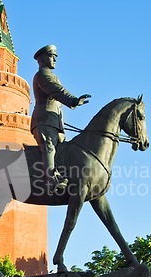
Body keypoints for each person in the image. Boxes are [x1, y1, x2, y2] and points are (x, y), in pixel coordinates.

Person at [30, 45, 91, 193]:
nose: (55, 59)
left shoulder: (50, 74)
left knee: (62, 150)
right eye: (52, 56)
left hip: (54, 123)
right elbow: (56, 90)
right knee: (49, 147)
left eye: (55, 56)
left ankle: (64, 176)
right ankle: (53, 180)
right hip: (44, 121)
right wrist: (73, 100)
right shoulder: (43, 75)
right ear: (42, 59)